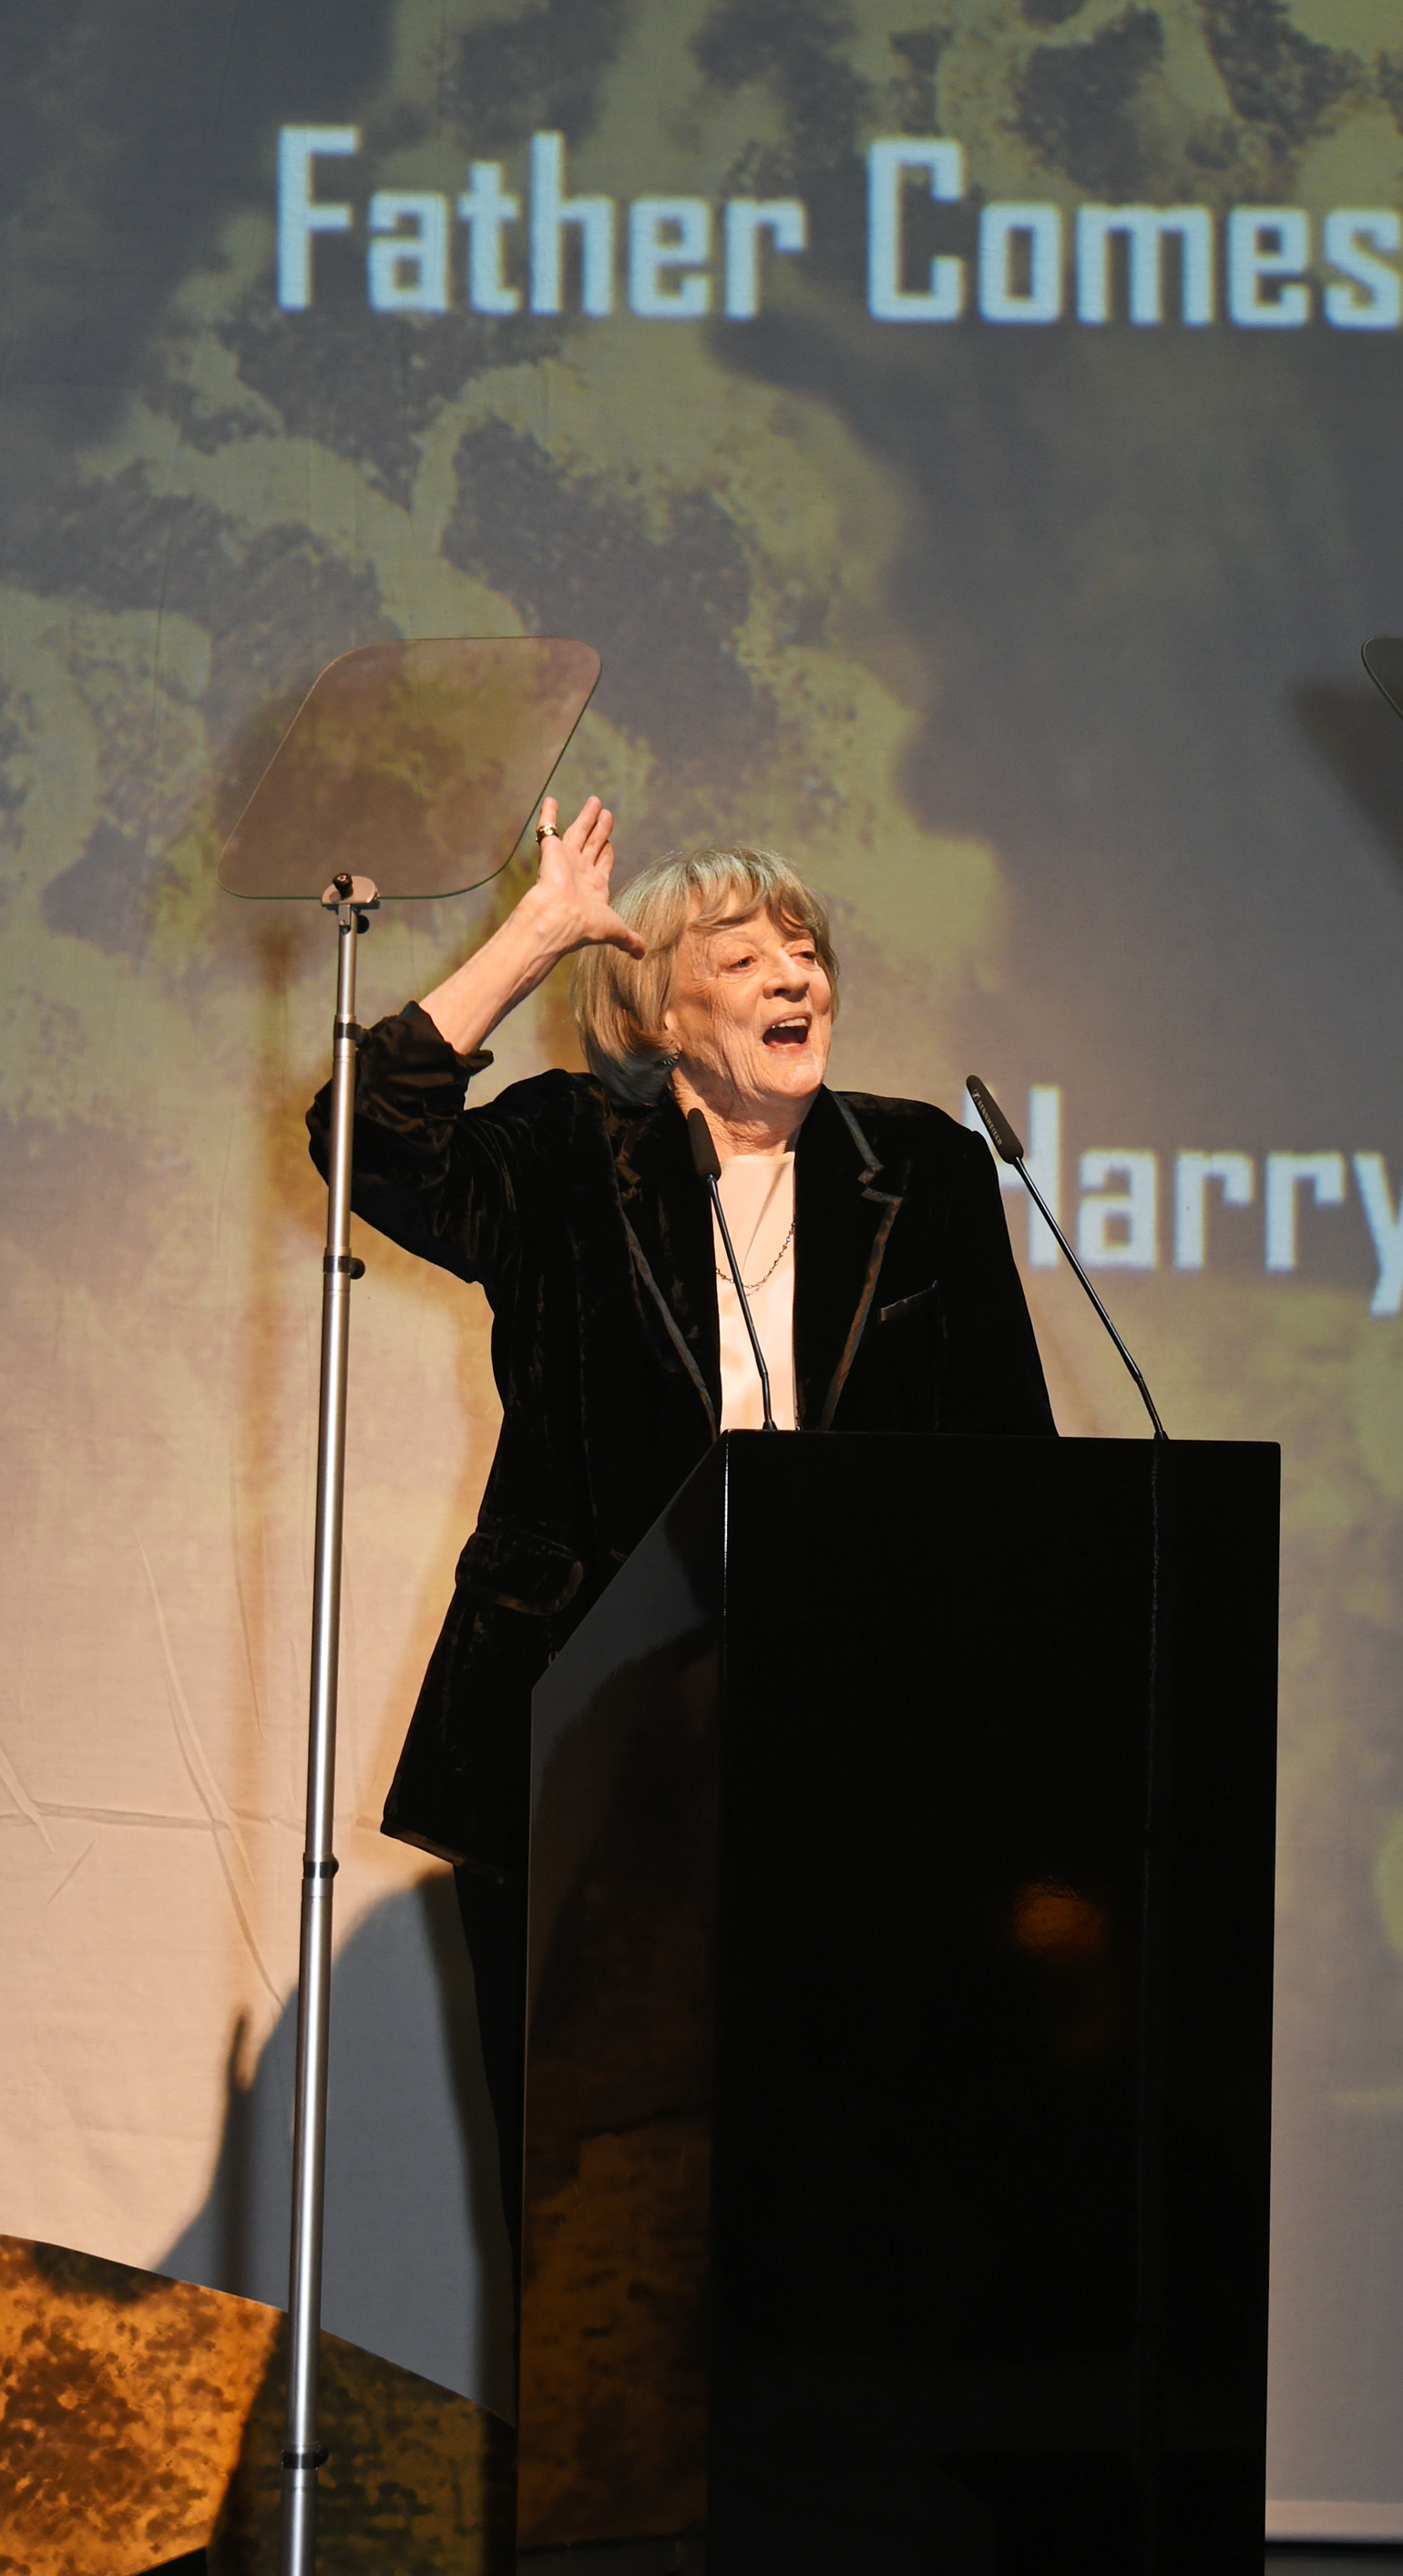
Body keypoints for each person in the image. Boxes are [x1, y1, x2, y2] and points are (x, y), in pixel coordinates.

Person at [308, 794, 1054, 2240]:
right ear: (652, 1008)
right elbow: (373, 1138)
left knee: (831, 2195)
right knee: (593, 2206)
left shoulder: (923, 1171)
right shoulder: (568, 1146)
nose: (796, 976)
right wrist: (531, 932)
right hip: (581, 1744)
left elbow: (1005, 1469)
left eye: (806, 950)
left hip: (851, 1755)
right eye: (742, 953)